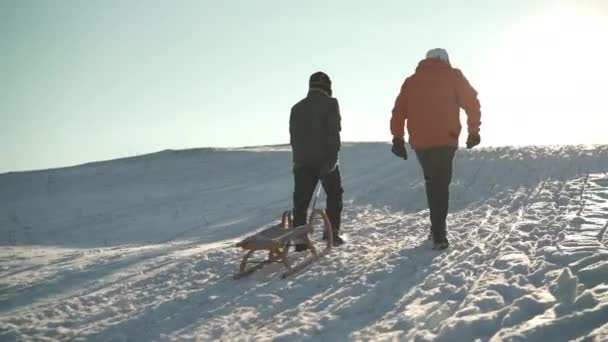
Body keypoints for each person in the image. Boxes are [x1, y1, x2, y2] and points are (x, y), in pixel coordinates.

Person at [390, 48, 481, 250]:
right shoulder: (453, 75)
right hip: (445, 139)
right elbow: (471, 102)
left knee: (433, 183)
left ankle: (436, 228)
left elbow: (399, 111)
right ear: (445, 60)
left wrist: (397, 138)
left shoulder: (412, 81)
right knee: (440, 185)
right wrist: (473, 130)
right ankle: (439, 233)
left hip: (421, 142)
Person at [289, 71, 345, 251]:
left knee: (301, 201)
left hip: (302, 161)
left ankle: (299, 240)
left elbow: (293, 137)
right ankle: (332, 233)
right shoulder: (331, 104)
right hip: (325, 159)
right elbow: (333, 132)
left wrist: (299, 158)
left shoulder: (296, 108)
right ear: (327, 87)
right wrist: (333, 158)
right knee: (334, 194)